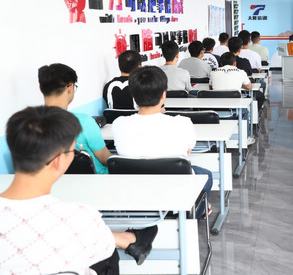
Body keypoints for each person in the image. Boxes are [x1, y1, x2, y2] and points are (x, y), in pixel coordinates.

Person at [0, 106, 159, 272]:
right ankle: (130, 239)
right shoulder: (80, 216)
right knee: (108, 257)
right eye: (73, 151)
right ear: (59, 161)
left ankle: (128, 239)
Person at [112, 66, 213, 217]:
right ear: (164, 95)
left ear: (133, 95)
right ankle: (191, 217)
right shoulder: (183, 123)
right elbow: (188, 150)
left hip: (134, 192)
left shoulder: (118, 124)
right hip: (175, 191)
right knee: (206, 175)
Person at [39, 63, 112, 174]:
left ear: (41, 89)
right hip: (96, 181)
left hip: (54, 182)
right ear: (70, 87)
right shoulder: (84, 122)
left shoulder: (27, 125)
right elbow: (105, 159)